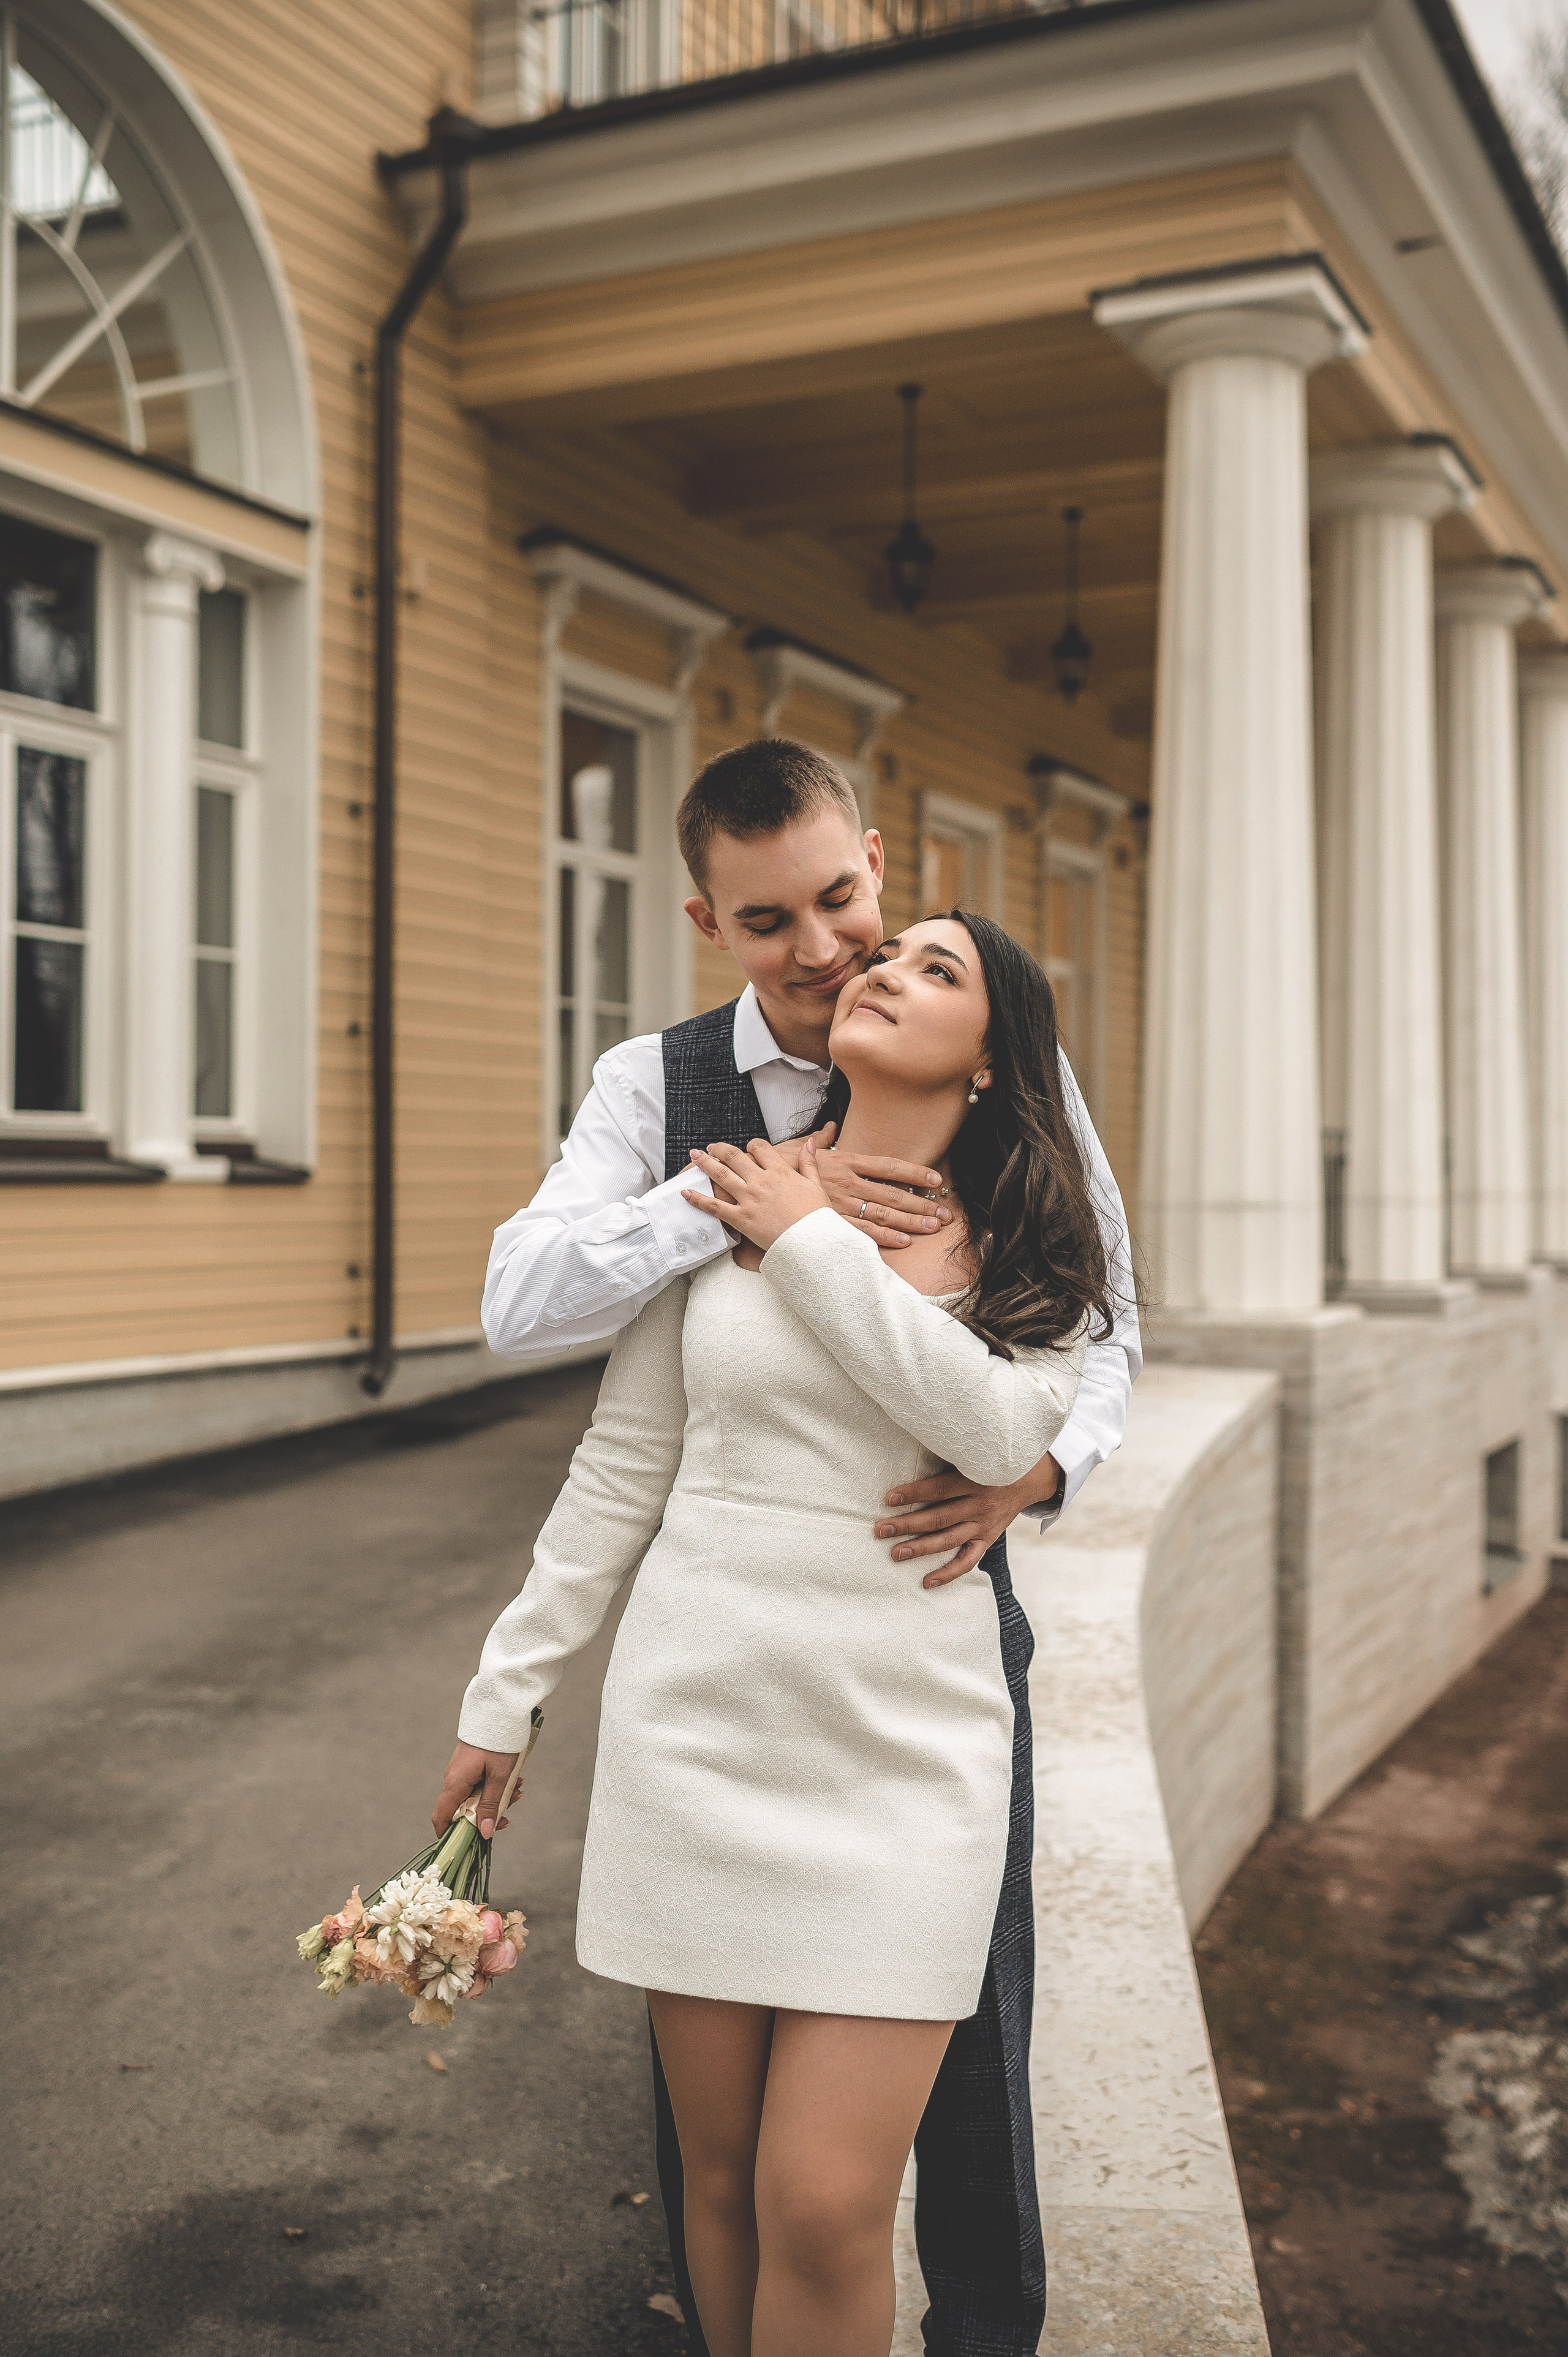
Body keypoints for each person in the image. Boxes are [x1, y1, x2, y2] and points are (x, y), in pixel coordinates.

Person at [476, 741, 1140, 2357]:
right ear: (713, 920)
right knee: (725, 2166)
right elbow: (556, 1363)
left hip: (910, 1698)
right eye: (777, 923)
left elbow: (1101, 1348)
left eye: (853, 905)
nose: (832, 950)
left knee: (929, 2113)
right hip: (707, 1723)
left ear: (878, 859)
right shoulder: (661, 1098)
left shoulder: (1022, 1146)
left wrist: (1035, 1471)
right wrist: (728, 1206)